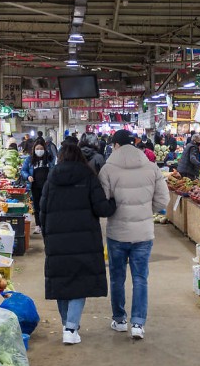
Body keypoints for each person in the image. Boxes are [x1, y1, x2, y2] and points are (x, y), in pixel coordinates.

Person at [38, 143, 117, 345]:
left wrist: (47, 236)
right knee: (79, 283)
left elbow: (43, 210)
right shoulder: (89, 176)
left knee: (61, 282)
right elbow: (101, 208)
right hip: (84, 240)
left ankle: (67, 325)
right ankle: (71, 327)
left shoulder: (52, 178)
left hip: (57, 239)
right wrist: (113, 203)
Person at [98, 129, 169, 340]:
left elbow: (104, 200)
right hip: (144, 234)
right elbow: (163, 201)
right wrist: (149, 211)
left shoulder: (108, 169)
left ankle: (119, 320)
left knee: (117, 278)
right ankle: (138, 324)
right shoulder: (151, 167)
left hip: (117, 232)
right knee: (140, 278)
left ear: (116, 145)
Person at [22, 139, 53, 233]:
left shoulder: (50, 159)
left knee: (47, 205)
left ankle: (47, 225)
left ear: (45, 149)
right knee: (36, 206)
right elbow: (23, 170)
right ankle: (38, 225)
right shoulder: (29, 159)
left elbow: (54, 169)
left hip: (48, 186)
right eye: (37, 148)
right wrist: (28, 177)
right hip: (35, 186)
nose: (39, 150)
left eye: (41, 148)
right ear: (34, 149)